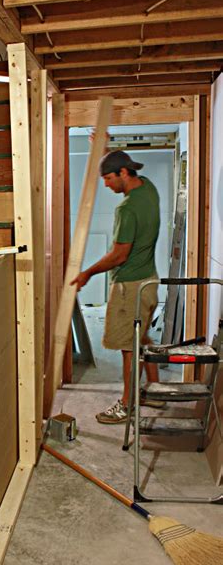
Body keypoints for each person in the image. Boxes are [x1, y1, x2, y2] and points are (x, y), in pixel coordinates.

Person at [71, 149, 162, 424]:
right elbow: (120, 166)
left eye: (108, 178)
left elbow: (119, 255)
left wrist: (88, 272)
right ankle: (154, 391)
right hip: (149, 280)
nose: (106, 184)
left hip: (129, 286)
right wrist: (105, 151)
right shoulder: (149, 188)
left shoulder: (128, 208)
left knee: (129, 347)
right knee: (142, 336)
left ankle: (126, 404)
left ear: (124, 173)